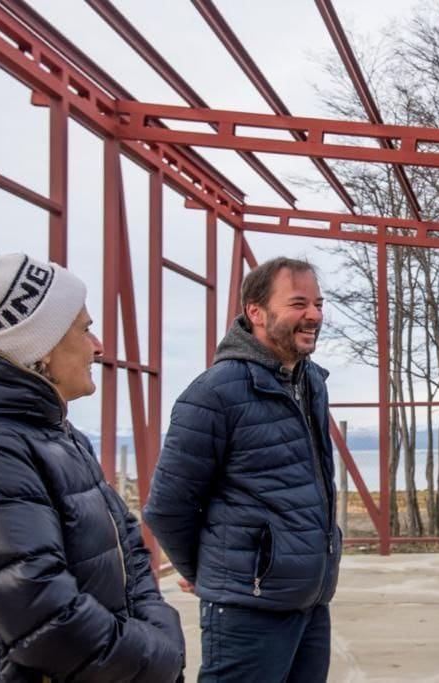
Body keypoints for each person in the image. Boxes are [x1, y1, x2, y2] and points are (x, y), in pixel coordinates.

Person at [0, 246, 185, 681]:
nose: (98, 348)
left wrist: (161, 633)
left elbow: (129, 549)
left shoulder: (55, 434)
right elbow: (47, 621)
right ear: (40, 349)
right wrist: (157, 658)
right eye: (85, 330)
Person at [144, 257, 339, 682]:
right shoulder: (215, 393)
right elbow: (166, 507)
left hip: (310, 604)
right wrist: (211, 574)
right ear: (256, 312)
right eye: (299, 304)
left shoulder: (311, 383)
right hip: (247, 613)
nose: (314, 316)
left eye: (319, 304)